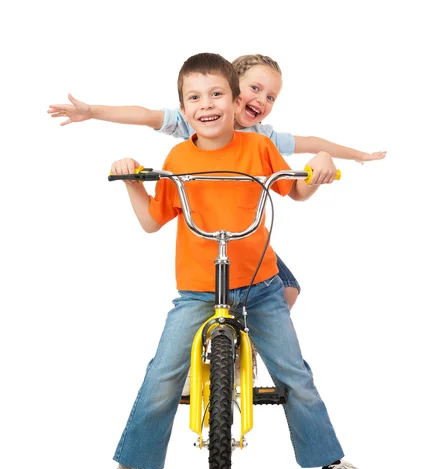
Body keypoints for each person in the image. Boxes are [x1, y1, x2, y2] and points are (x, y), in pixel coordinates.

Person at [89, 53, 368, 469]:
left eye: (217, 94)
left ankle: (332, 463)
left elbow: (294, 190)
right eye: (194, 98)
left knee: (294, 374)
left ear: (234, 100)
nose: (207, 105)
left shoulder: (257, 149)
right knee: (162, 374)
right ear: (182, 107)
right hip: (199, 289)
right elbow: (152, 222)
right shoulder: (178, 157)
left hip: (259, 284)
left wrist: (319, 165)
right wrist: (132, 180)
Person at [48, 53, 386, 313]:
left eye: (271, 97)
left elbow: (311, 141)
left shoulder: (261, 138)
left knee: (289, 287)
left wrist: (358, 154)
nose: (261, 100)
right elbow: (145, 115)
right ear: (234, 89)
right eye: (255, 88)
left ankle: (250, 337)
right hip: (205, 218)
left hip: (242, 229)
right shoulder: (197, 117)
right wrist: (92, 111)